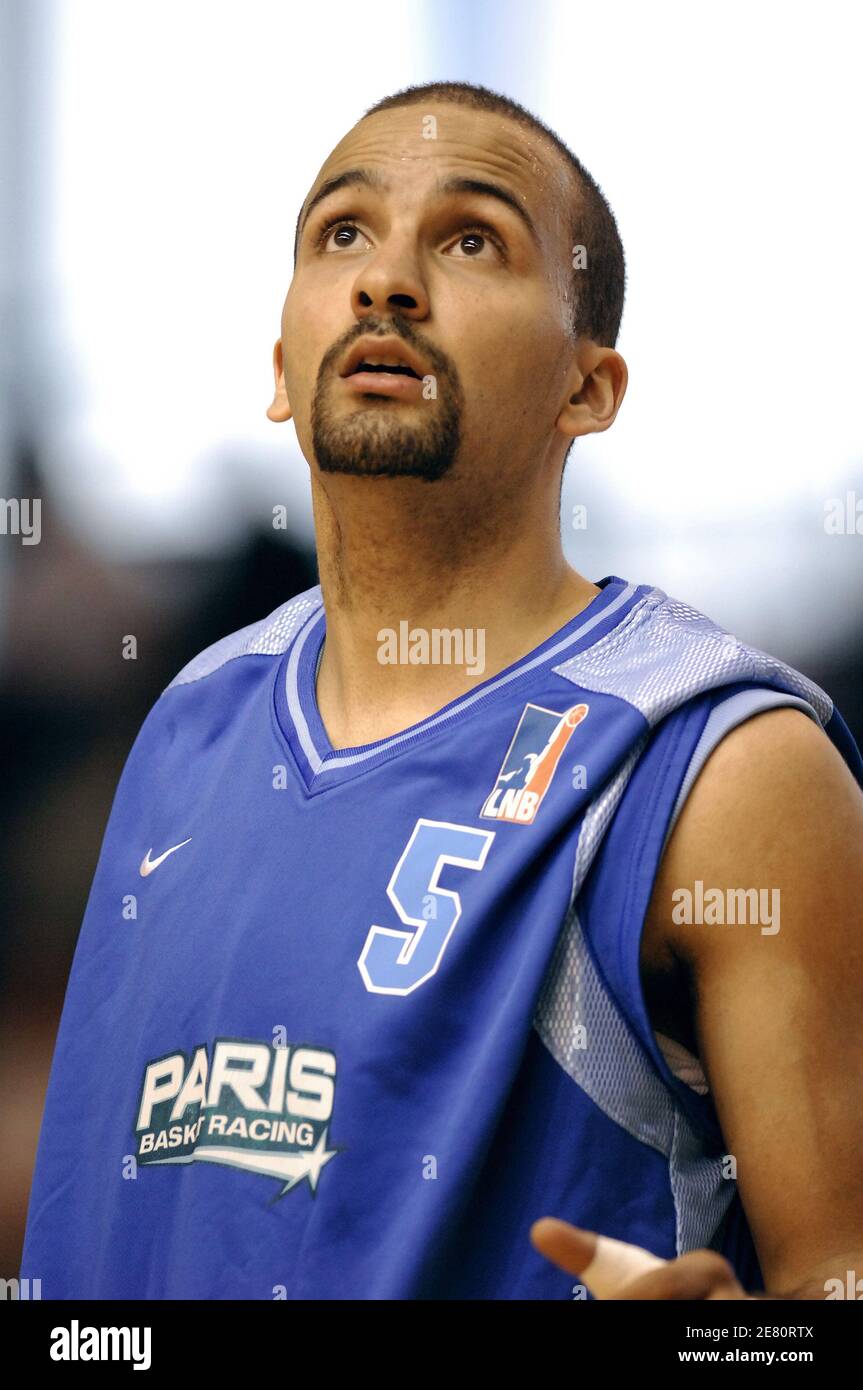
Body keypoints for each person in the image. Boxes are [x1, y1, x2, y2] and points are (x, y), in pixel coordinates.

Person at [20, 80, 863, 1300]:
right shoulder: (188, 723)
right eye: (341, 234)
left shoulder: (725, 768)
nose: (385, 281)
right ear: (278, 366)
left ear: (588, 389)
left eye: (472, 239)